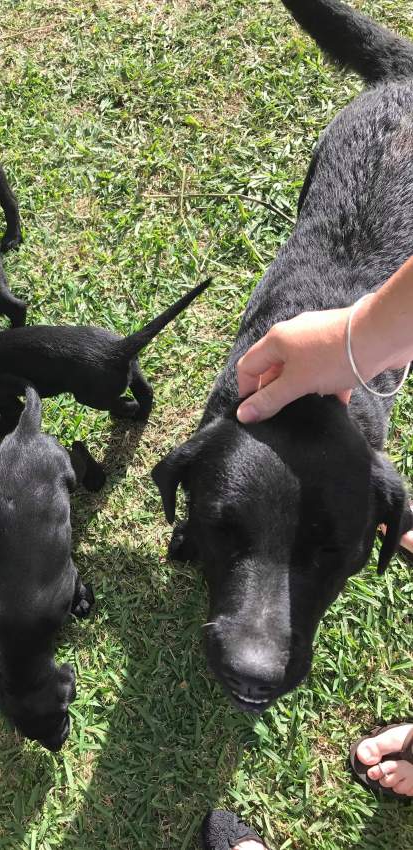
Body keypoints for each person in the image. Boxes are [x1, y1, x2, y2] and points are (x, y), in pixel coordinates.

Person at [201, 257, 413, 845]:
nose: (255, 656)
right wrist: (357, 336)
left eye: (327, 552)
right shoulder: (212, 446)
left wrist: (364, 335)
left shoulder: (374, 483)